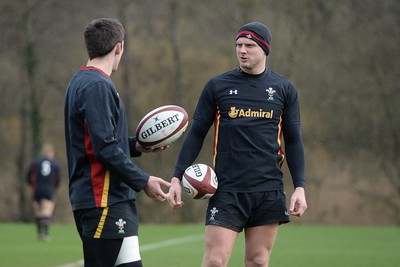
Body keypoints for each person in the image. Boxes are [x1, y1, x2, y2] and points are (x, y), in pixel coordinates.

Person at [167, 21, 307, 267]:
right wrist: (177, 177)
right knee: (214, 262)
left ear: (265, 49)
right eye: (239, 45)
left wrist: (300, 187)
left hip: (268, 189)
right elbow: (196, 133)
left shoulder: (284, 89)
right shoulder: (217, 86)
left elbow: (294, 141)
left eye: (250, 45)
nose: (242, 50)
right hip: (227, 190)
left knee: (258, 261)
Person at [64, 18, 170, 267]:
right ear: (119, 48)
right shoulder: (97, 86)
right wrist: (143, 180)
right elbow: (105, 149)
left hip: (112, 200)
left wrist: (135, 146)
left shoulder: (81, 81)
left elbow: (97, 142)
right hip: (103, 201)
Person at [26, 143, 61, 241]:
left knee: (38, 211)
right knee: (47, 211)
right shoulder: (55, 164)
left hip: (36, 188)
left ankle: (38, 233)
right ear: (51, 153)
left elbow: (28, 177)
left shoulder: (35, 162)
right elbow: (57, 180)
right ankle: (45, 234)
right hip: (49, 189)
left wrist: (32, 188)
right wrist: (54, 189)